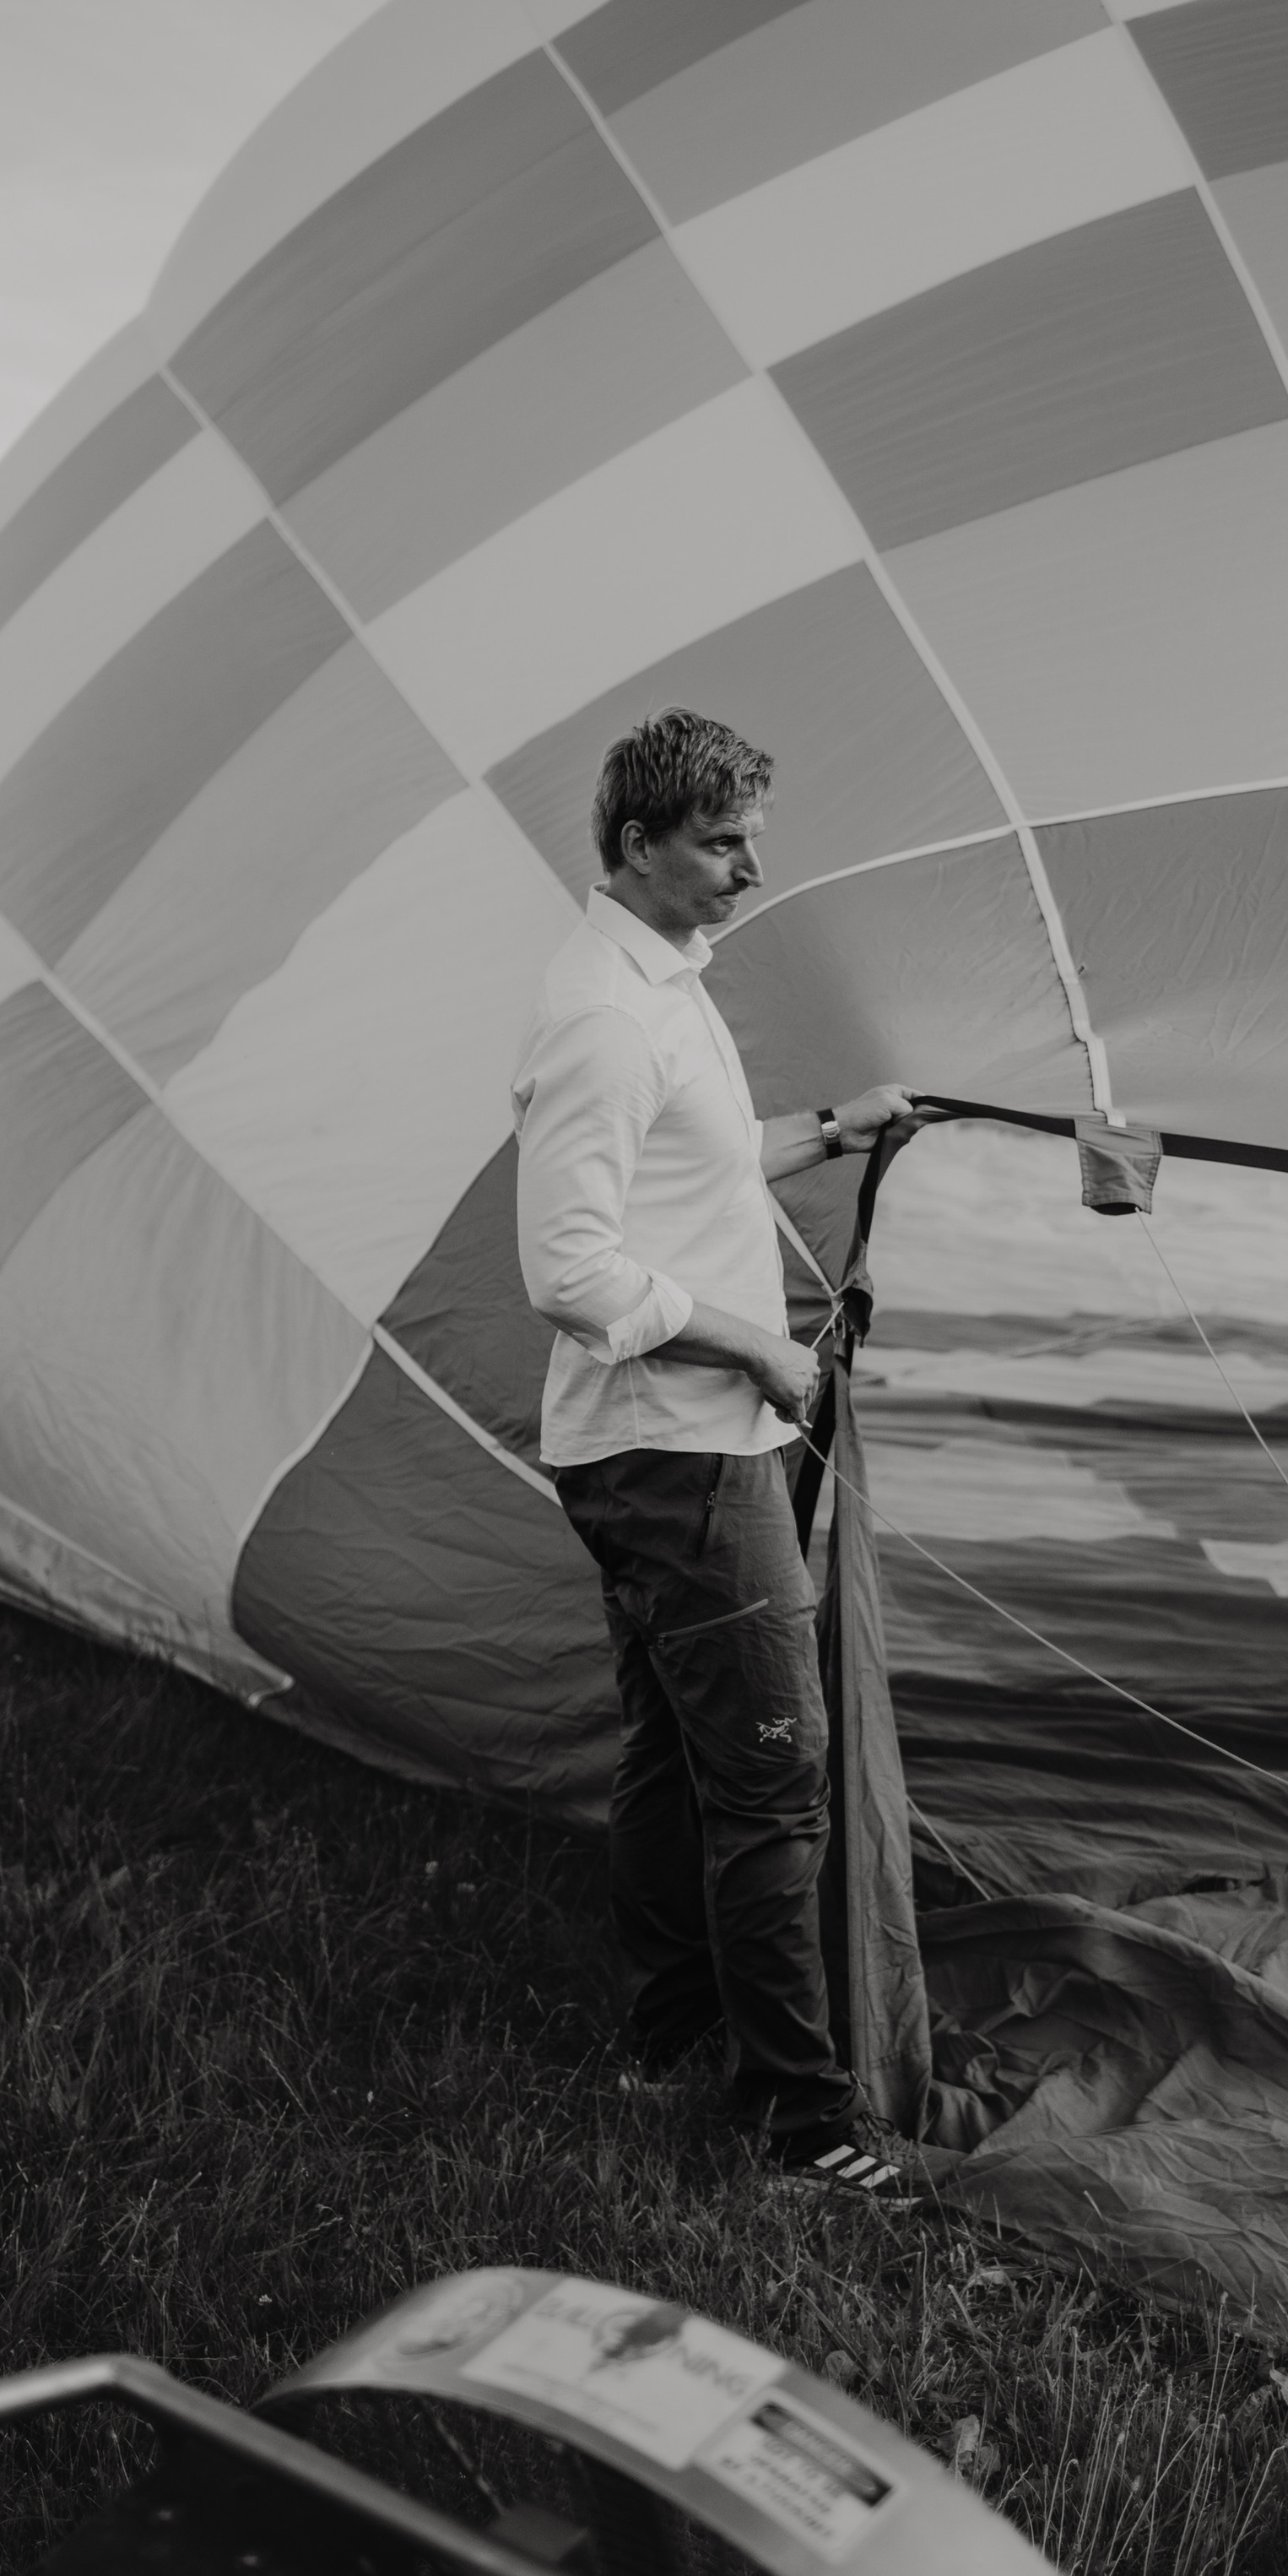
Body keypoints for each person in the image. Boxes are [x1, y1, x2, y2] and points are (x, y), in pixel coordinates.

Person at [511, 708, 921, 2180]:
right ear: (637, 846)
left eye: (753, 834)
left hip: (666, 1440)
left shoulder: (662, 978)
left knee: (677, 1756)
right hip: (676, 1453)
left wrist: (831, 1126)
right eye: (724, 841)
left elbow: (698, 1161)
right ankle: (797, 2118)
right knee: (770, 1770)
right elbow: (565, 1267)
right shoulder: (606, 1016)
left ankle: (673, 2027)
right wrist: (754, 1345)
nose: (754, 868)